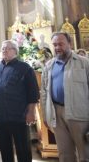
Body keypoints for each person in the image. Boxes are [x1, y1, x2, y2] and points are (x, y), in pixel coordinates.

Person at [40, 32, 89, 161]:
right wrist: (46, 115)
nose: (57, 47)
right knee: (64, 153)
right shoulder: (49, 66)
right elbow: (44, 92)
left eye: (61, 44)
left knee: (85, 153)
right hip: (56, 113)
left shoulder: (84, 63)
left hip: (80, 114)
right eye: (55, 44)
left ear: (70, 44)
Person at [0, 40, 39, 162]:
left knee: (22, 148)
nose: (4, 50)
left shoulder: (25, 68)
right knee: (5, 148)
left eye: (8, 48)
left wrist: (31, 112)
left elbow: (33, 93)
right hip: (0, 115)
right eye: (3, 48)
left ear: (15, 51)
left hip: (18, 115)